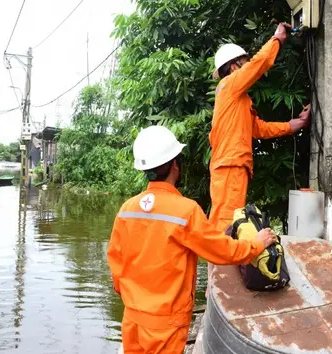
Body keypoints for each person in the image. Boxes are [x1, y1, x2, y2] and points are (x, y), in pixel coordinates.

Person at [107, 125, 277, 354]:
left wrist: (134, 298)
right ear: (176, 165)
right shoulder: (185, 212)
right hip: (166, 325)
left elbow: (116, 265)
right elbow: (221, 250)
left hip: (133, 319)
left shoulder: (127, 210)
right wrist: (256, 244)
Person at [206, 22, 311, 295]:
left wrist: (292, 125)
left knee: (231, 226)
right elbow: (258, 65)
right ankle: (218, 289)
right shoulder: (230, 85)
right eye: (242, 62)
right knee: (224, 227)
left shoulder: (239, 100)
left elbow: (259, 129)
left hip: (234, 166)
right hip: (230, 165)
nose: (246, 65)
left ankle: (222, 286)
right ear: (233, 67)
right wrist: (276, 40)